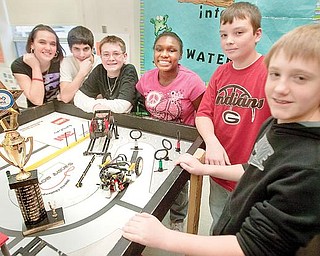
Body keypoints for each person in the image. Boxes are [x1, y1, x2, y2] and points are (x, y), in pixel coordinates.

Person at [123, 23, 320, 256]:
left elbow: (252, 246)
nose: (279, 89)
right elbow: (256, 169)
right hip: (231, 221)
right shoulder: (279, 124)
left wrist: (165, 237)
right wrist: (205, 168)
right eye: (275, 74)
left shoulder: (310, 168)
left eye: (300, 78)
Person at [195, 2, 271, 231]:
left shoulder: (270, 71)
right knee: (219, 224)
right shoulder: (220, 72)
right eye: (224, 35)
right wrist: (212, 142)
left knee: (247, 234)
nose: (229, 41)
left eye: (239, 33)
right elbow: (203, 114)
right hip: (219, 172)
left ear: (257, 34)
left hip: (254, 178)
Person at [136, 31, 206, 231]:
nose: (165, 54)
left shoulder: (192, 81)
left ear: (180, 55)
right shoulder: (146, 78)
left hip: (183, 139)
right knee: (153, 175)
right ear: (154, 53)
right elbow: (142, 103)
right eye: (160, 49)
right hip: (156, 136)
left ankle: (177, 219)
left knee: (178, 186)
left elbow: (203, 113)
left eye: (171, 50)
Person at [73, 35, 139, 113]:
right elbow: (78, 98)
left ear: (124, 57)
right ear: (101, 57)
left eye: (116, 54)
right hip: (108, 117)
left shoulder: (129, 70)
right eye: (106, 54)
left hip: (131, 120)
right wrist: (95, 106)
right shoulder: (99, 70)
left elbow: (123, 106)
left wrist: (98, 103)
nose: (111, 58)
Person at [11, 24, 64, 107]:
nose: (48, 48)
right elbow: (37, 100)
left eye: (53, 44)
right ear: (32, 44)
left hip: (61, 110)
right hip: (37, 114)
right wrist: (35, 67)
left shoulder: (61, 61)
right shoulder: (19, 65)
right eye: (42, 42)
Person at [59, 26, 101, 103]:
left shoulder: (100, 62)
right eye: (77, 49)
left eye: (86, 49)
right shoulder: (66, 62)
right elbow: (65, 98)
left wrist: (72, 93)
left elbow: (103, 96)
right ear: (70, 49)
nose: (82, 55)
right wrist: (82, 73)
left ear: (92, 48)